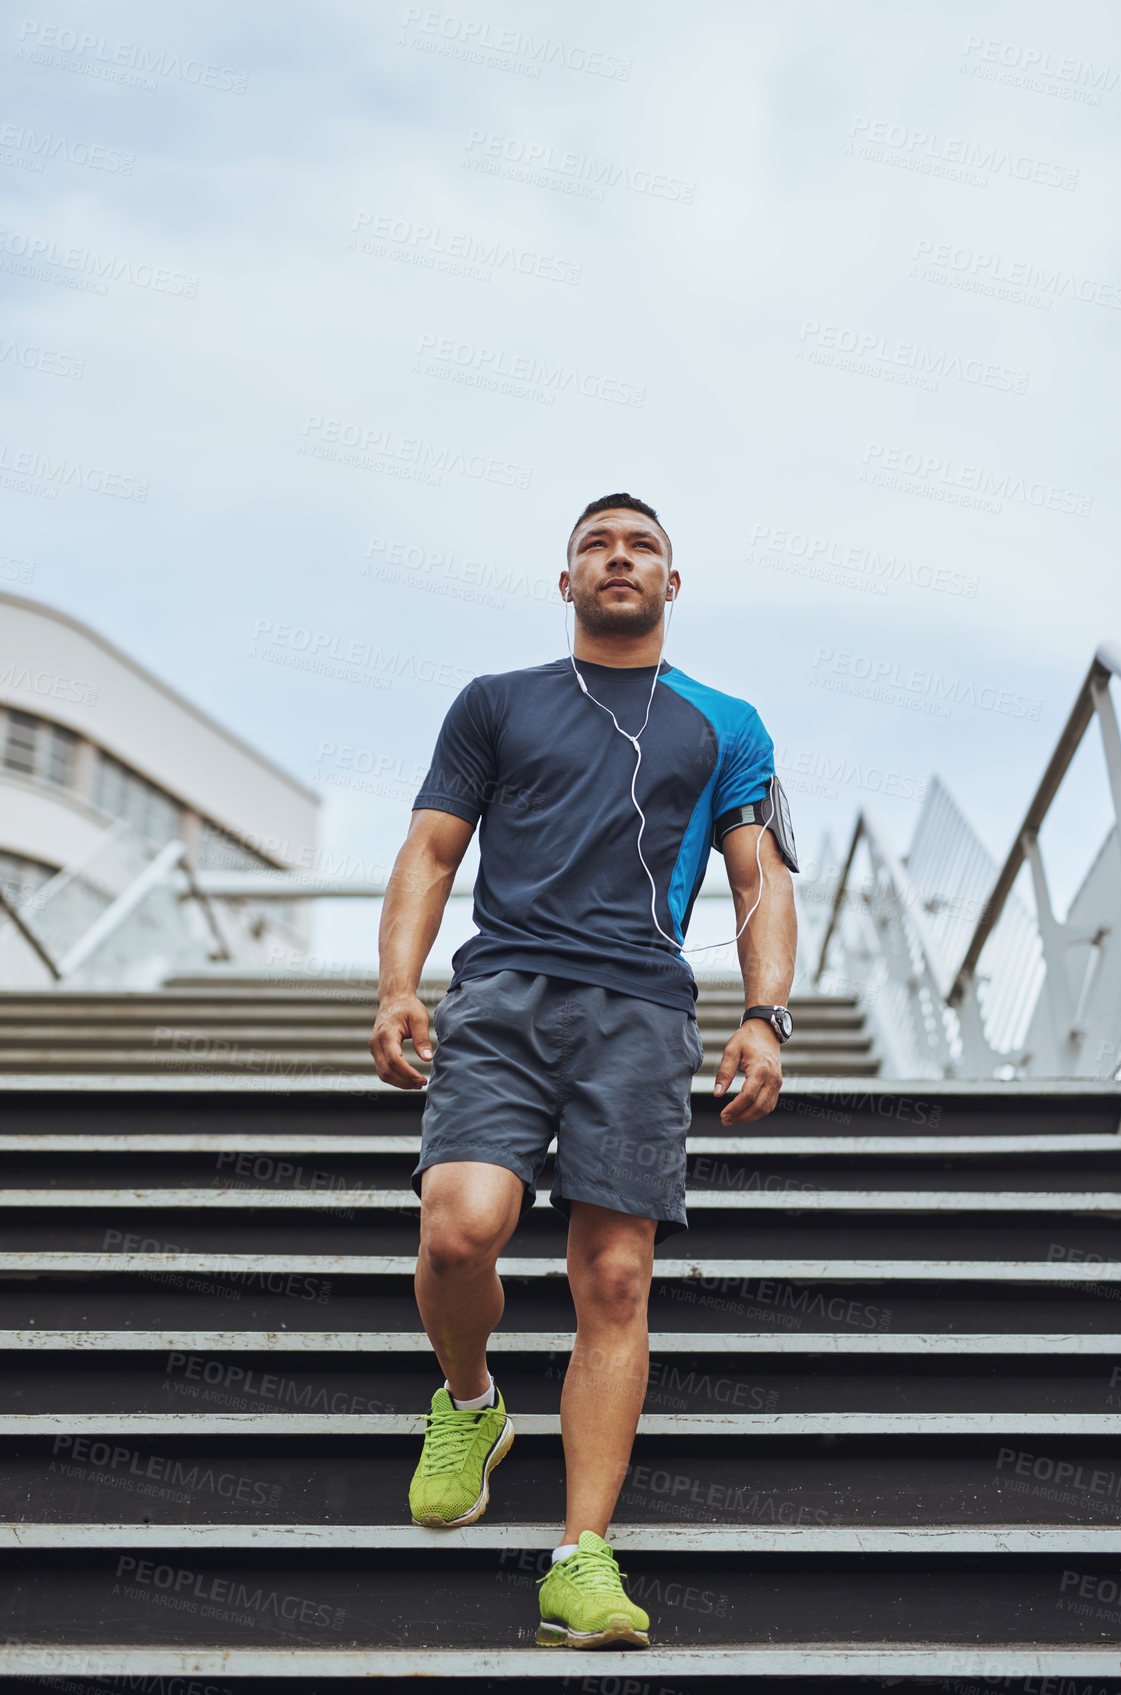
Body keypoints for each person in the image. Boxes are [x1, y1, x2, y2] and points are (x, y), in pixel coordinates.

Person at [369, 493, 797, 1650]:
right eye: (596, 546)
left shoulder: (725, 722)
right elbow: (432, 846)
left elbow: (760, 876)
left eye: (642, 545)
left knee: (614, 1279)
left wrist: (766, 1016)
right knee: (460, 1228)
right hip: (504, 995)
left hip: (644, 1014)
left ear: (673, 579)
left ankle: (579, 1559)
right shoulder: (497, 703)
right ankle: (471, 1403)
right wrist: (398, 984)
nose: (620, 557)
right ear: (566, 583)